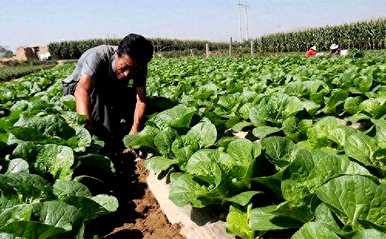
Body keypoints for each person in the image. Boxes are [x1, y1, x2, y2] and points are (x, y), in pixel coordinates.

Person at [62, 33, 154, 153]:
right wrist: (87, 127)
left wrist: (135, 129)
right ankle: (106, 142)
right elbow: (82, 91)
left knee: (132, 98)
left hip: (110, 85)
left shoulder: (140, 64)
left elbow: (141, 100)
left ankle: (118, 131)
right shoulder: (97, 56)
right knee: (100, 97)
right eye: (125, 67)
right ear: (117, 54)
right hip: (76, 88)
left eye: (134, 70)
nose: (128, 74)